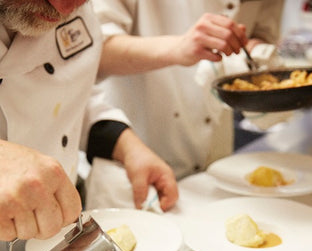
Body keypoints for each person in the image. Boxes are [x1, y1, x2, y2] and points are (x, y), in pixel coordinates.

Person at [0, 0, 178, 251]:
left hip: (48, 243)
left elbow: (63, 93)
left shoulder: (73, 7)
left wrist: (125, 144)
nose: (67, 6)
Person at [85, 0, 285, 209]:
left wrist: (255, 49)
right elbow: (92, 52)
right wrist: (179, 47)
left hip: (216, 158)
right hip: (135, 155)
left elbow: (262, 33)